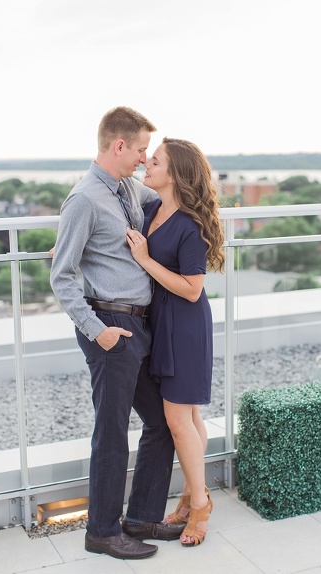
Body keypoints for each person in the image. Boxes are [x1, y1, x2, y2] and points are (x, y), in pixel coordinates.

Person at [50, 107, 184, 560]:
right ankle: (102, 532)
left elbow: (168, 198)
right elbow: (61, 277)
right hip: (110, 327)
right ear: (119, 145)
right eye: (142, 149)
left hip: (140, 325)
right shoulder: (83, 200)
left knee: (162, 422)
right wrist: (98, 331)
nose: (145, 158)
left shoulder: (128, 188)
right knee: (111, 433)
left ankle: (141, 518)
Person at [125, 137, 225, 547]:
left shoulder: (190, 225)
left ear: (176, 173)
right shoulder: (152, 208)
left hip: (184, 326)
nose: (146, 164)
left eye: (156, 160)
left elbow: (192, 289)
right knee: (190, 417)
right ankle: (189, 496)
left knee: (178, 421)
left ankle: (200, 506)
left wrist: (146, 260)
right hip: (159, 323)